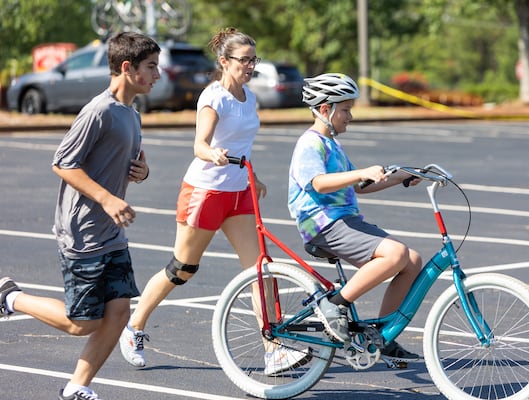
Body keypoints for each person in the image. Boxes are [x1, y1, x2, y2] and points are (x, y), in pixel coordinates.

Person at [118, 27, 310, 376]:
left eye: (254, 59)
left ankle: (274, 350)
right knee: (182, 269)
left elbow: (243, 144)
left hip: (239, 192)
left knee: (261, 272)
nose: (250, 66)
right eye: (244, 60)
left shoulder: (249, 98)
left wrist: (255, 176)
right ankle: (134, 327)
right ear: (224, 61)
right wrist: (214, 154)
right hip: (205, 191)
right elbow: (199, 145)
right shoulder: (213, 97)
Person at [0, 31, 159, 400]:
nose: (158, 74)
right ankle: (10, 297)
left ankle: (77, 388)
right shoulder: (98, 111)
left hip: (112, 233)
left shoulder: (131, 114)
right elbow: (63, 163)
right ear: (127, 68)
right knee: (82, 324)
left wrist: (142, 171)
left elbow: (131, 161)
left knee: (119, 314)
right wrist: (106, 199)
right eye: (150, 67)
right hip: (83, 232)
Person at [288, 73, 423, 364]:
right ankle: (335, 305)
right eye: (346, 109)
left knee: (412, 261)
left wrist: (403, 175)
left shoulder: (333, 145)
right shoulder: (310, 144)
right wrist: (361, 172)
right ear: (325, 109)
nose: (350, 116)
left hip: (344, 220)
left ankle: (383, 334)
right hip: (323, 223)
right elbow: (319, 183)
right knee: (396, 253)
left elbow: (362, 186)